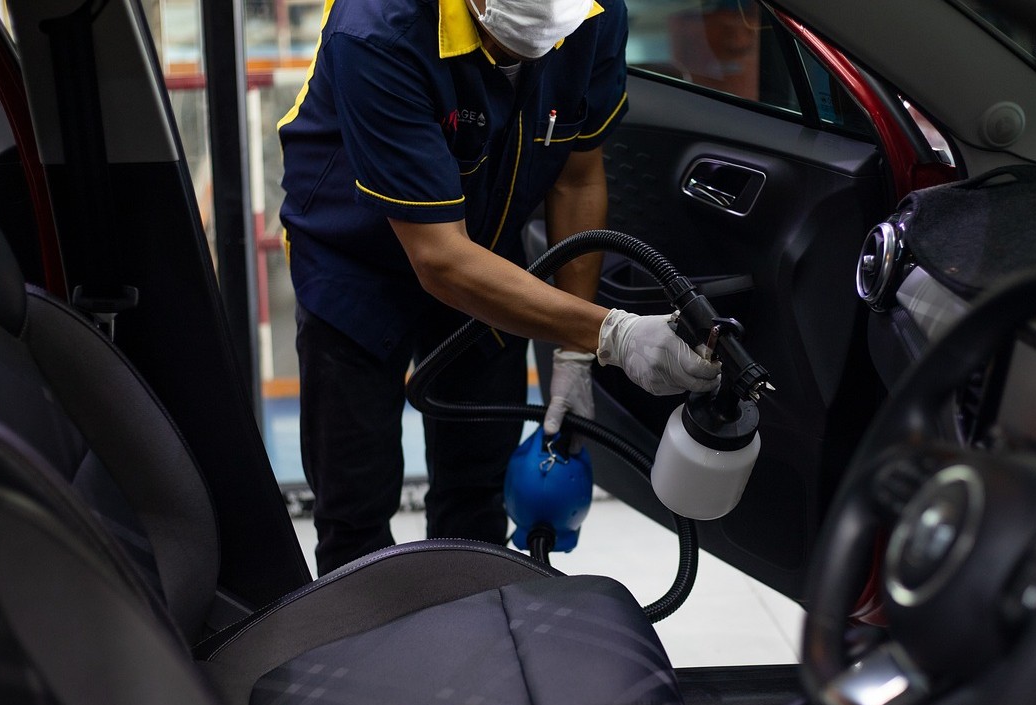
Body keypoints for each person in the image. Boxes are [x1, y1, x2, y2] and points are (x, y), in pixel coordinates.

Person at [278, 0, 721, 575]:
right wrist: (611, 333)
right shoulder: (377, 31)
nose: (533, 54)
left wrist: (573, 354)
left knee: (475, 497)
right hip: (353, 264)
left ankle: (476, 639)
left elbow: (578, 175)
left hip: (487, 253)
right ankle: (368, 646)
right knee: (355, 512)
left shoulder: (593, 13)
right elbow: (439, 259)